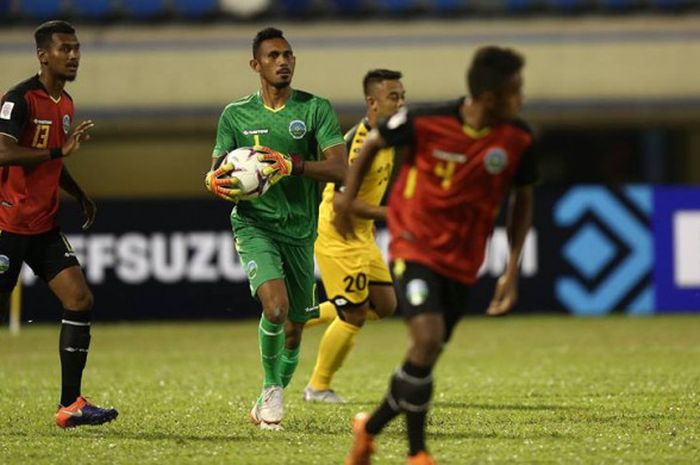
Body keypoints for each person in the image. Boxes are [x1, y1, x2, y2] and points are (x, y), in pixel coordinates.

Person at [335, 46, 538, 465]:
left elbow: (523, 200)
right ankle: (418, 453)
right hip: (414, 245)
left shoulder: (517, 139)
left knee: (422, 359)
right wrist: (346, 200)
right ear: (489, 95)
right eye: (515, 90)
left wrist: (512, 268)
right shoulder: (428, 120)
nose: (521, 98)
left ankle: (369, 429)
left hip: (463, 261)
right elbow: (373, 141)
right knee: (425, 340)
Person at [204, 27, 346, 430]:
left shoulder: (315, 109)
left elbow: (341, 170)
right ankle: (271, 389)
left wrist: (292, 165)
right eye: (273, 56)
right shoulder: (235, 115)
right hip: (255, 226)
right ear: (256, 65)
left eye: (288, 55)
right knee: (277, 308)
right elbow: (217, 172)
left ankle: (273, 392)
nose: (283, 61)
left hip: (300, 230)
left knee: (295, 327)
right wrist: (213, 182)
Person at [0, 20, 118, 428]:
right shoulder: (19, 99)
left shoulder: (64, 102)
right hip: (7, 223)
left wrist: (79, 192)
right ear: (42, 55)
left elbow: (56, 159)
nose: (74, 56)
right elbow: (3, 152)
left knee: (79, 299)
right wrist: (57, 151)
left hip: (43, 226)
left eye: (77, 49)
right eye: (65, 49)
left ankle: (71, 405)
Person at [302, 69, 405, 403]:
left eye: (403, 96)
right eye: (394, 97)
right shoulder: (358, 145)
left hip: (363, 235)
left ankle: (298, 318)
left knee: (386, 305)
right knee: (354, 316)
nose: (401, 103)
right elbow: (343, 204)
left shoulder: (389, 135)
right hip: (339, 235)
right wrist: (395, 215)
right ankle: (317, 387)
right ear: (372, 102)